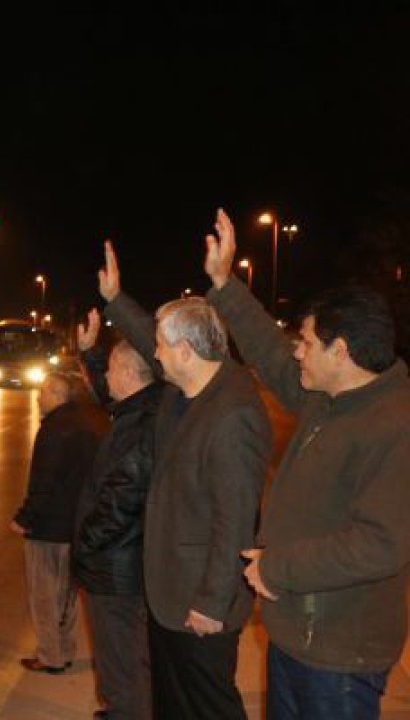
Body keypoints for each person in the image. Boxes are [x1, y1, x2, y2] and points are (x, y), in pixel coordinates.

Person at [201, 209, 410, 719]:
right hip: (296, 633)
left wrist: (277, 567)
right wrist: (225, 285)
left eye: (309, 344)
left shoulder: (395, 426)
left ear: (342, 351)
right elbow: (271, 354)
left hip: (340, 655)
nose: (298, 353)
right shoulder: (329, 398)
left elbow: (381, 545)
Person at [98, 241, 270, 720]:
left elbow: (234, 519)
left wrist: (213, 604)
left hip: (199, 606)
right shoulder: (187, 385)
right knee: (174, 706)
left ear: (187, 351)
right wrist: (116, 299)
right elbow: (153, 346)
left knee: (207, 707)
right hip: (171, 594)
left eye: (160, 346)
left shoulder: (232, 414)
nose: (153, 354)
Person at [74, 309, 160, 720]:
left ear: (127, 371)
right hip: (121, 563)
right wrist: (91, 353)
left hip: (117, 568)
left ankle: (126, 712)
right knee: (122, 657)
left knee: (121, 658)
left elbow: (120, 500)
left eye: (109, 368)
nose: (106, 377)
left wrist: (84, 545)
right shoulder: (138, 408)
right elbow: (106, 396)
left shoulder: (142, 424)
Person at [11, 371, 109, 674]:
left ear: (57, 394)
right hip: (75, 525)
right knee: (67, 595)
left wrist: (25, 518)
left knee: (44, 594)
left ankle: (49, 656)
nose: (39, 396)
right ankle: (64, 651)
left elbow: (44, 480)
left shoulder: (54, 428)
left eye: (43, 391)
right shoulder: (87, 423)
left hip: (49, 527)